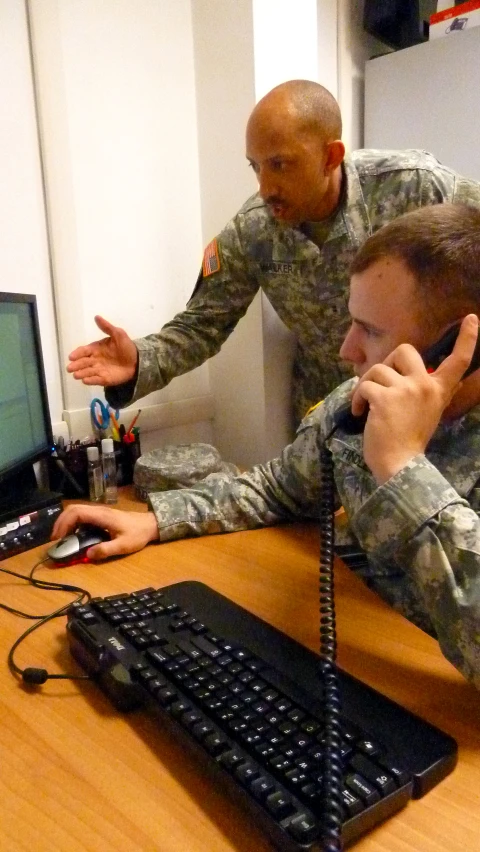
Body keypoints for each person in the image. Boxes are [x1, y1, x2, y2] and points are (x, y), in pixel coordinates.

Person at [54, 203, 480, 690]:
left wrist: (404, 468)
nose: (346, 350)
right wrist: (155, 519)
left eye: (372, 331)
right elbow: (280, 487)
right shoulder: (361, 401)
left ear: (458, 346)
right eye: (352, 321)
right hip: (356, 671)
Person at [66, 79, 480, 426]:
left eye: (280, 165)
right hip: (332, 420)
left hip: (439, 409)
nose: (265, 187)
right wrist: (140, 359)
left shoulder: (416, 187)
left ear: (330, 156)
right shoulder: (253, 230)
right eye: (256, 166)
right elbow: (201, 325)